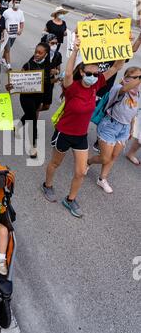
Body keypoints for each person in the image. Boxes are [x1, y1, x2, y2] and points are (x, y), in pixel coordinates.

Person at [42, 35, 125, 218]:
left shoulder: (97, 85)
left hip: (80, 135)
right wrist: (76, 50)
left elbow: (116, 67)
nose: (93, 77)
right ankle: (47, 185)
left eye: (95, 74)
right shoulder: (71, 87)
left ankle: (70, 199)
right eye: (89, 74)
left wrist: (123, 44)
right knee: (55, 163)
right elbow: (69, 73)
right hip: (64, 132)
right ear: (82, 73)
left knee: (80, 172)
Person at [87, 67, 141, 193]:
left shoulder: (137, 93)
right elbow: (124, 88)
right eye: (137, 77)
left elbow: (133, 112)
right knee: (105, 158)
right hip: (110, 126)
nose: (139, 81)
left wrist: (131, 128)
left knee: (114, 156)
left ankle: (102, 179)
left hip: (124, 128)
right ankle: (88, 162)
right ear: (126, 78)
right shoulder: (119, 89)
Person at [11, 43, 52, 158]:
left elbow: (48, 85)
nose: (37, 54)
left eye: (40, 53)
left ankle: (18, 125)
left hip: (38, 97)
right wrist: (13, 84)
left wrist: (47, 101)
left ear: (46, 54)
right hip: (26, 97)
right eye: (36, 51)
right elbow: (17, 81)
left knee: (30, 115)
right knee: (33, 119)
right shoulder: (27, 65)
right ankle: (33, 146)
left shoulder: (48, 66)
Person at [1, 0, 25, 70]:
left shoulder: (21, 12)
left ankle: (3, 59)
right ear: (12, 2)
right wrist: (4, 30)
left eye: (18, 3)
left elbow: (22, 22)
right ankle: (9, 65)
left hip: (14, 35)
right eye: (16, 2)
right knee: (8, 49)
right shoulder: (6, 12)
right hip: (7, 34)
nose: (17, 4)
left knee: (8, 49)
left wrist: (21, 30)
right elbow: (2, 21)